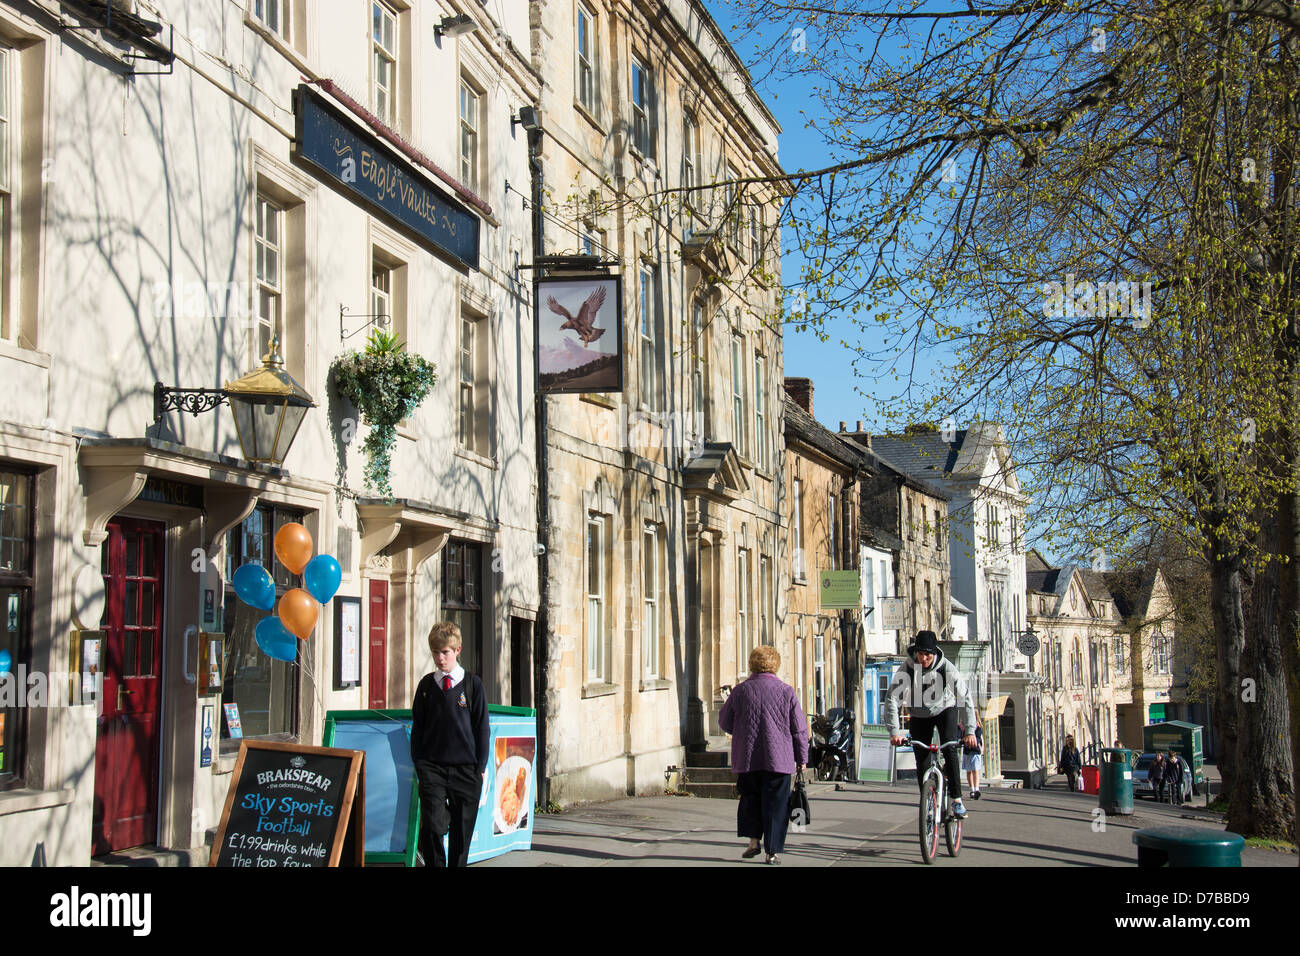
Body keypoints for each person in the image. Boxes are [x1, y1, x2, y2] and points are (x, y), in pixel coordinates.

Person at [719, 645, 808, 865]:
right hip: (779, 759)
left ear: (752, 664)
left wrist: (740, 731)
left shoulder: (740, 691)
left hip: (748, 757)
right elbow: (799, 729)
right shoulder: (786, 692)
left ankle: (752, 842)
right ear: (775, 665)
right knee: (776, 805)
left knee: (750, 799)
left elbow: (724, 721)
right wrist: (802, 758)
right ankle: (773, 851)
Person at [410, 621, 490, 868]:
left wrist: (480, 766)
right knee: (434, 826)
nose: (440, 658)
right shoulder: (426, 686)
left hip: (466, 770)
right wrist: (420, 763)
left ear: (457, 650)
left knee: (461, 835)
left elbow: (481, 727)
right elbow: (418, 727)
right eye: (435, 652)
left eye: (445, 652)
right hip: (433, 767)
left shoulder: (472, 685)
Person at [885, 630, 978, 819]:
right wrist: (894, 731)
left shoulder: (946, 668)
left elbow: (964, 697)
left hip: (945, 710)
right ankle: (927, 800)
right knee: (922, 759)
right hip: (919, 715)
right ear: (915, 652)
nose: (924, 658)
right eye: (920, 654)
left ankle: (957, 800)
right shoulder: (908, 669)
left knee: (950, 747)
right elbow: (892, 699)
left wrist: (970, 731)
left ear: (934, 652)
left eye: (928, 654)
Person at [961, 716, 984, 800]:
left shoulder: (978, 728)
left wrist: (968, 740)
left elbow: (977, 739)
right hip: (967, 752)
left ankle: (977, 789)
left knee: (975, 771)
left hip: (975, 752)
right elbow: (960, 737)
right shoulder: (964, 728)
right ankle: (972, 789)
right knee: (969, 771)